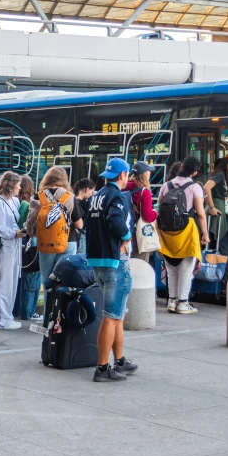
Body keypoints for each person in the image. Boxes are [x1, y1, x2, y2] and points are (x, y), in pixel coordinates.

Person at [85, 158, 137, 382]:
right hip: (115, 262)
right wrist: (127, 236)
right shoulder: (117, 196)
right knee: (111, 316)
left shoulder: (96, 195)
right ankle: (102, 368)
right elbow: (116, 221)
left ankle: (120, 360)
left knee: (117, 316)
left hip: (97, 260)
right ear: (123, 175)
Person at [158, 156, 209, 314]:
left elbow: (160, 205)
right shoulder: (195, 187)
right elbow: (200, 213)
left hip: (167, 232)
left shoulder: (166, 185)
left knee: (171, 268)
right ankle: (183, 302)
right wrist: (205, 234)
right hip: (187, 230)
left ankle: (172, 301)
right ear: (194, 172)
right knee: (186, 268)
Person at [26, 167, 83, 306]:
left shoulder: (38, 196)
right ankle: (60, 319)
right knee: (64, 281)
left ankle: (48, 318)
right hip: (68, 242)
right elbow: (79, 225)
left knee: (47, 281)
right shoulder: (69, 196)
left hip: (45, 243)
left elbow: (30, 223)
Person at [0, 171, 27, 330]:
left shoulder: (13, 201)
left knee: (11, 282)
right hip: (6, 245)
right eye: (17, 185)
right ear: (11, 185)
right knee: (5, 283)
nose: (19, 188)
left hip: (14, 244)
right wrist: (14, 234)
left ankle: (7, 316)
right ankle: (2, 319)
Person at [14, 175, 41, 322]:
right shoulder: (28, 204)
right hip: (30, 244)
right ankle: (28, 311)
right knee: (31, 278)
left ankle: (17, 309)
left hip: (19, 244)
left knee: (19, 279)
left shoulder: (15, 202)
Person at [123, 161, 158, 263]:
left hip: (123, 230)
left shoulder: (124, 187)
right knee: (139, 263)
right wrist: (155, 212)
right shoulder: (144, 192)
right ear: (145, 174)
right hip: (137, 233)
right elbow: (147, 216)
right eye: (149, 171)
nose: (150, 173)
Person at [203, 156, 228, 258]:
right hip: (216, 207)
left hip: (219, 207)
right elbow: (206, 188)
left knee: (222, 241)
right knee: (222, 241)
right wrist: (212, 207)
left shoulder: (222, 176)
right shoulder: (220, 175)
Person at [73, 178, 95, 255]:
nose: (92, 194)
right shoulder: (85, 204)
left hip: (72, 237)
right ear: (86, 190)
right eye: (91, 192)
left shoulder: (72, 201)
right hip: (82, 236)